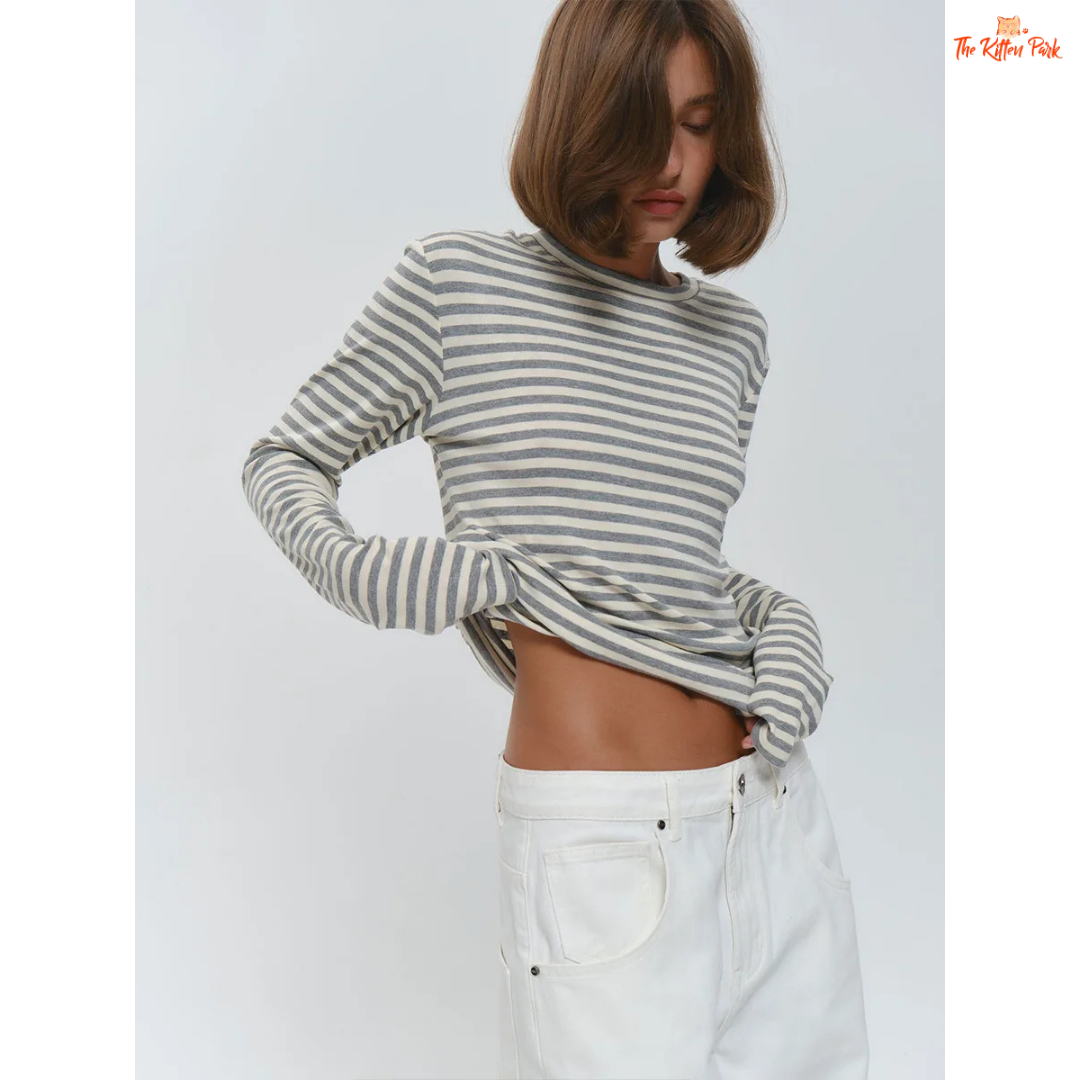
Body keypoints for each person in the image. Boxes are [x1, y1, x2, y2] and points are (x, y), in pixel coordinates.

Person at [240, 1, 870, 1076]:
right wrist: (372, 570)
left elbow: (662, 560)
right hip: (600, 845)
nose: (673, 162)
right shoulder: (458, 285)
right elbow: (285, 458)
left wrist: (781, 619)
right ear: (580, 114)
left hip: (776, 816)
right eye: (641, 122)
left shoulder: (731, 338)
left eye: (701, 123)